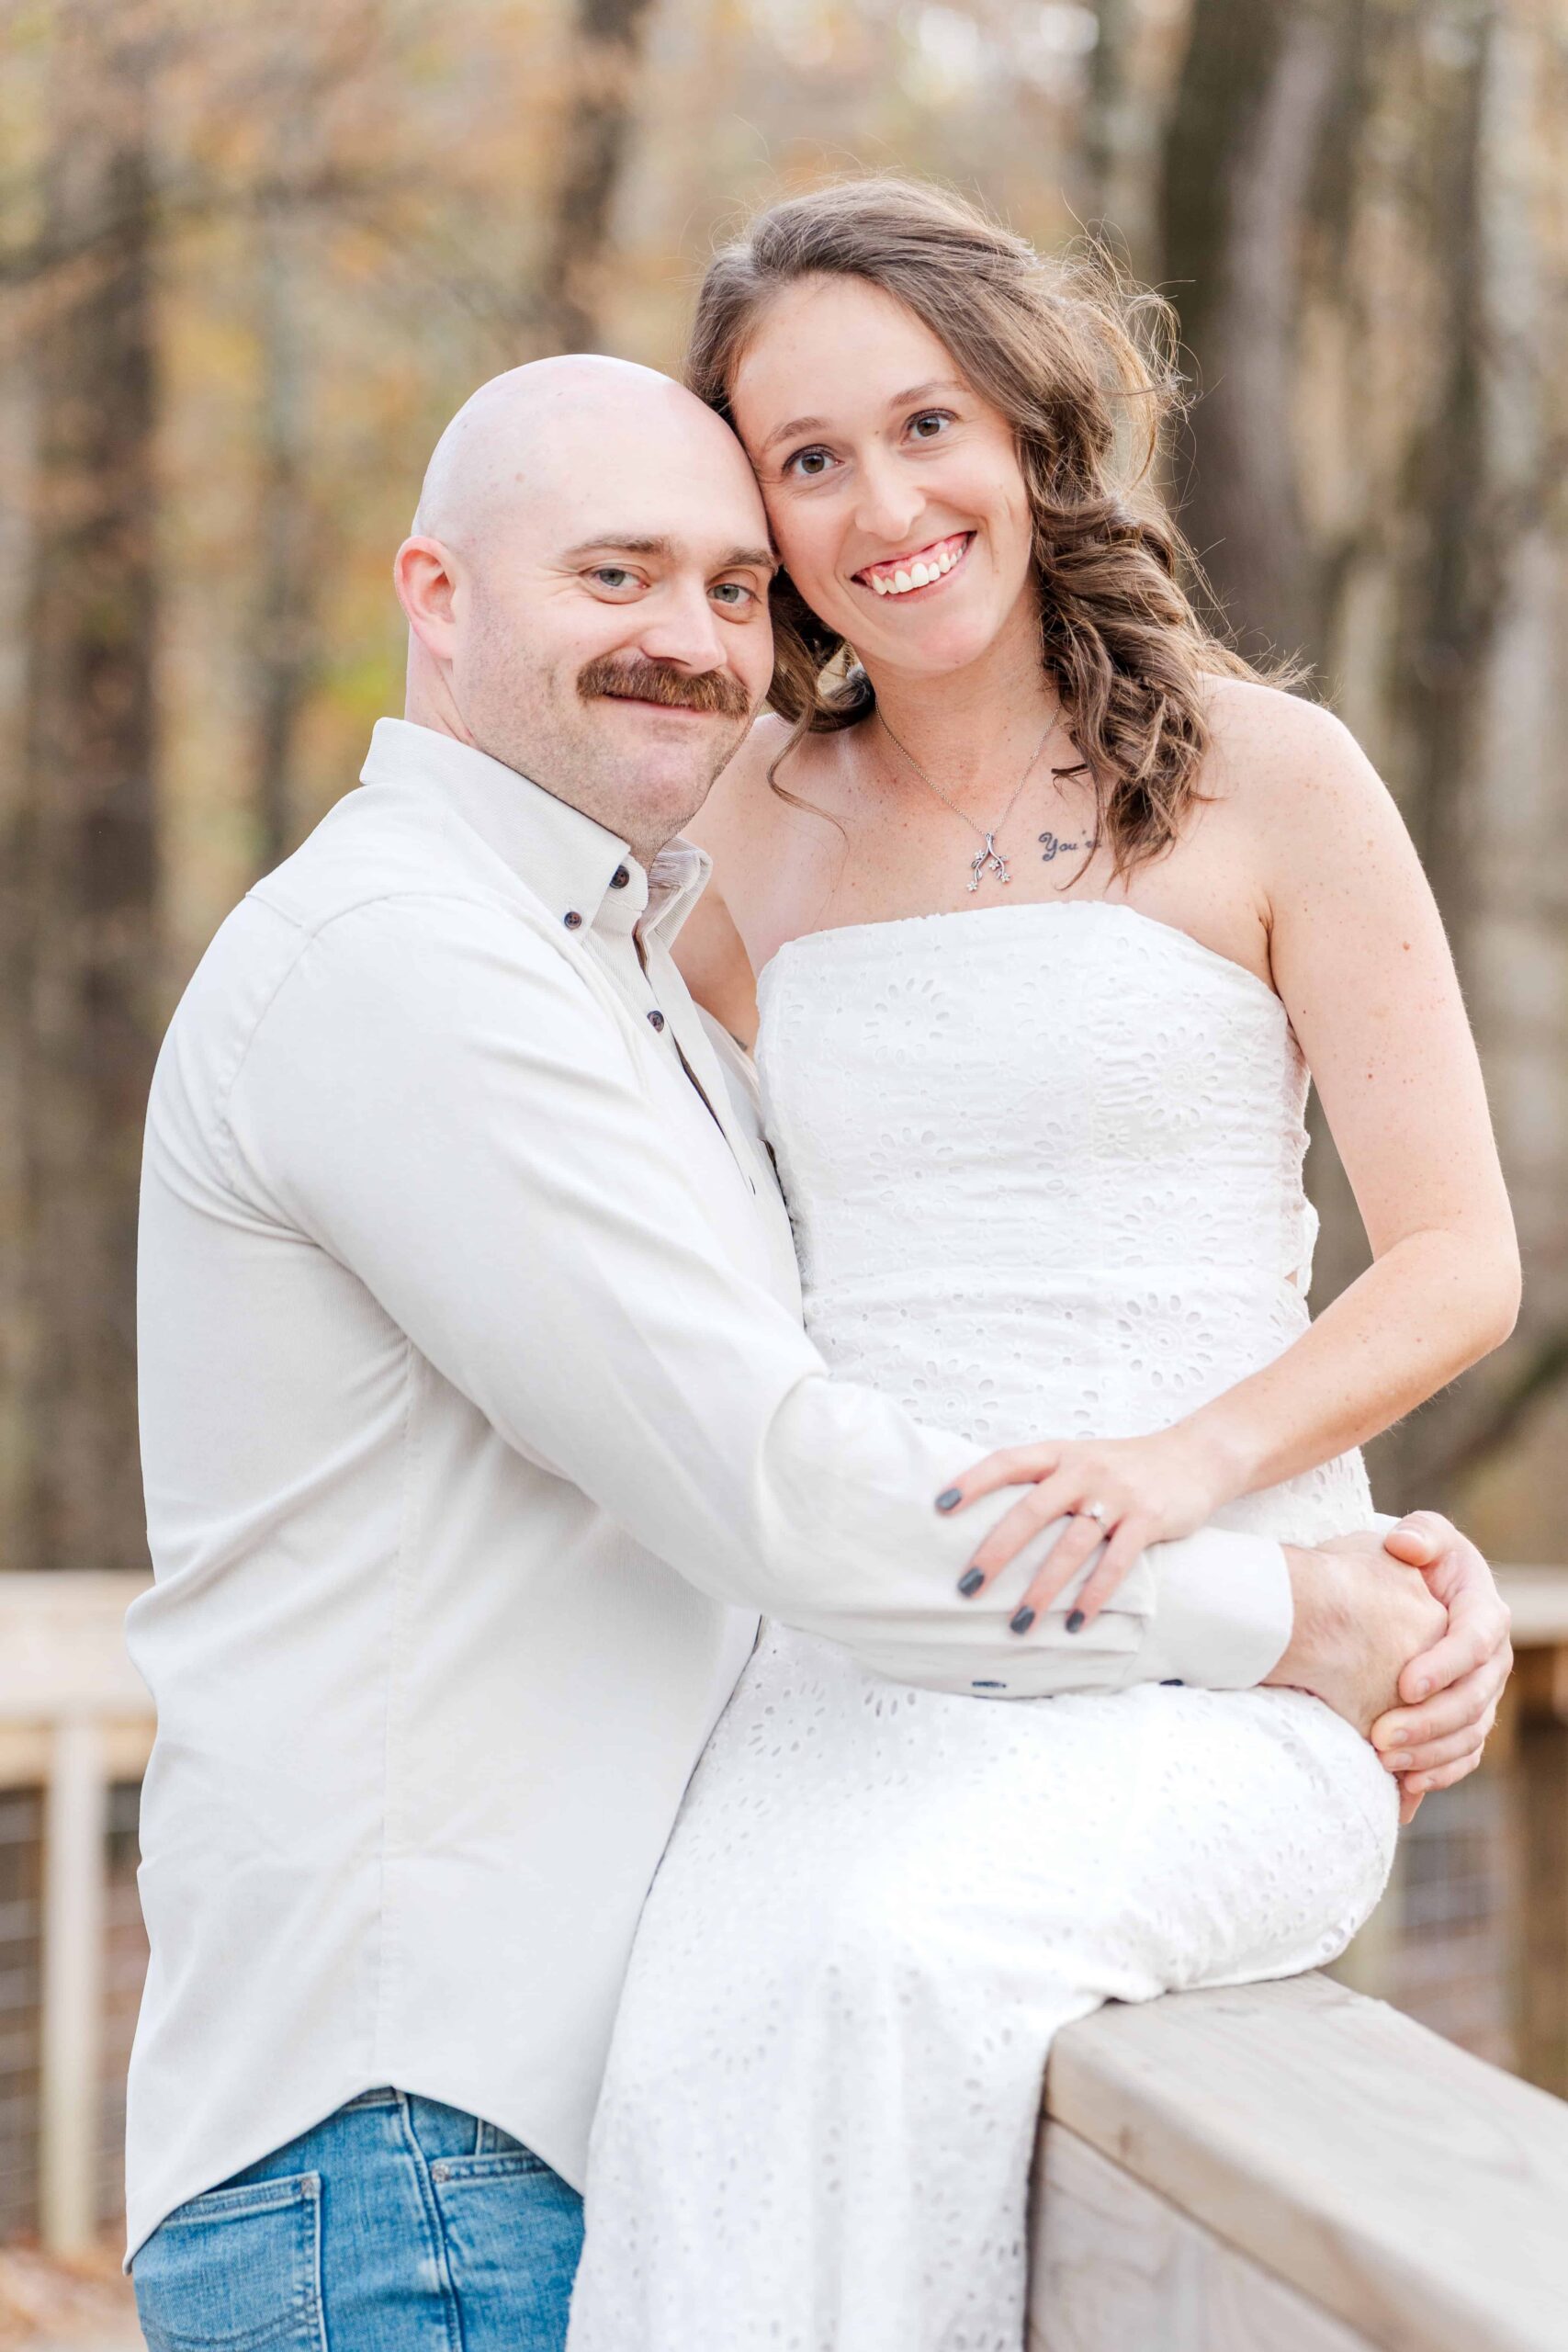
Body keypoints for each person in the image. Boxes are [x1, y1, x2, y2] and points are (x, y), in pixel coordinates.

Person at [126, 353, 1507, 2352]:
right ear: (435, 594)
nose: (689, 639)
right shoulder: (408, 965)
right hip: (406, 2136)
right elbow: (780, 1485)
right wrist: (1291, 1612)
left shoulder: (610, 955)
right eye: (613, 573)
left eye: (724, 585)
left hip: (572, 2069)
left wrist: (1311, 1520)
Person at [562, 181, 1523, 2350]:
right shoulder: (746, 823)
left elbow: (1457, 1258)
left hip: (1231, 1652)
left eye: (925, 425)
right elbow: (644, 1248)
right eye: (808, 458)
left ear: (1023, 425)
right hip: (854, 1657)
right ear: (757, 513)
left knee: (903, 1946)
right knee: (696, 2005)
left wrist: (1198, 1472)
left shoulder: (1271, 775)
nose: (883, 505)